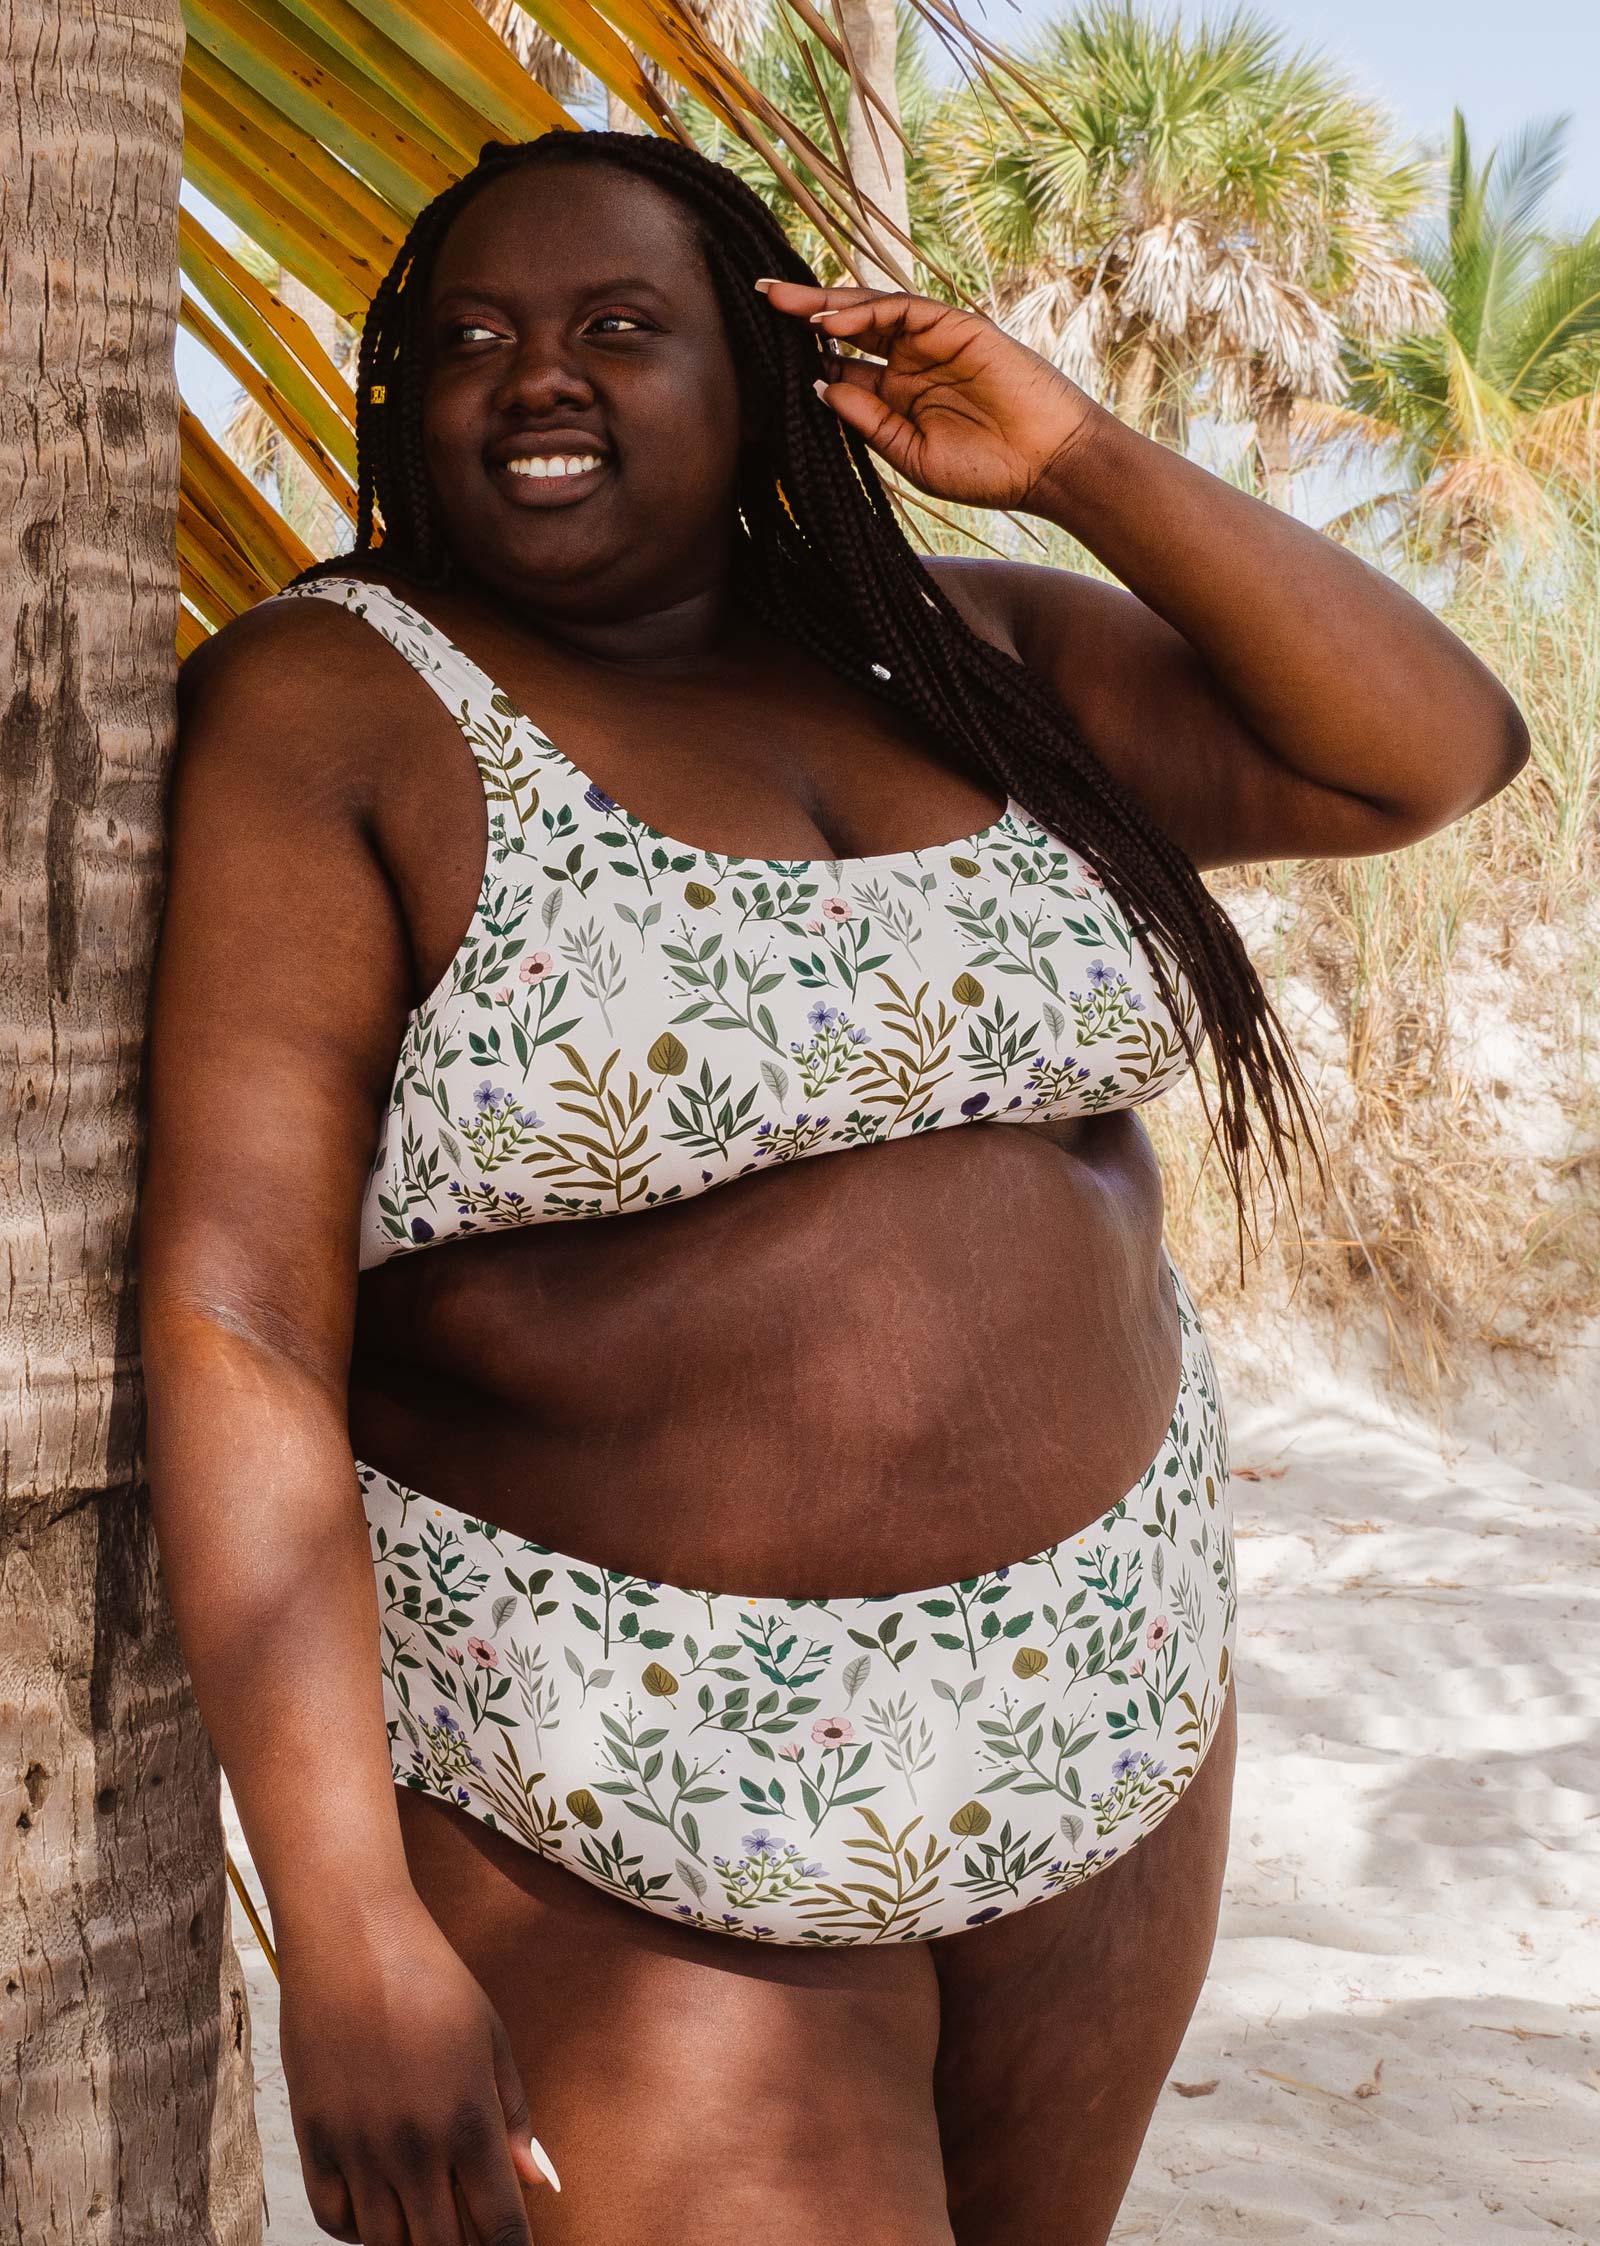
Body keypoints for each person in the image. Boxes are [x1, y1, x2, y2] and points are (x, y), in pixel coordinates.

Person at [139, 131, 1527, 2246]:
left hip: (1096, 1695)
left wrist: (1067, 456)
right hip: (612, 1769)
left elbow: (1420, 749)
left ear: (763, 381)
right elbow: (238, 1310)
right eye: (472, 340)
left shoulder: (953, 649)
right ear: (402, 393)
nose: (535, 380)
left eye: (620, 329)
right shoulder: (334, 706)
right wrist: (342, 1924)